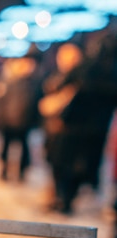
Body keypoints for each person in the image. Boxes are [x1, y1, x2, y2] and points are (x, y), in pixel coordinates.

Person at [42, 35, 117, 214]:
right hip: (94, 128)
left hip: (73, 126)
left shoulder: (86, 70)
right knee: (75, 166)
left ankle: (64, 199)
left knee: (66, 164)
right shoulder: (106, 72)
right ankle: (65, 199)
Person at [0, 52, 43, 182]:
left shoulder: (33, 81)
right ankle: (4, 171)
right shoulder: (6, 79)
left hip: (24, 121)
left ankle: (21, 173)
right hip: (8, 120)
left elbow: (36, 102)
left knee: (23, 148)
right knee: (6, 147)